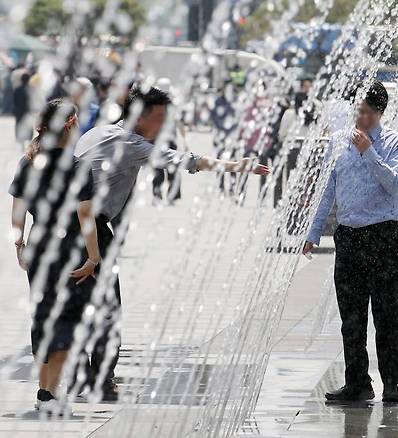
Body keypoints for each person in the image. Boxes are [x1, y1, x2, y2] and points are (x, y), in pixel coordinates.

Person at [74, 86, 269, 401]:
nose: (164, 127)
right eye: (160, 119)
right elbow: (184, 161)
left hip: (67, 229)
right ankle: (100, 381)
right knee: (108, 309)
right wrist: (237, 166)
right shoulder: (131, 143)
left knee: (77, 306)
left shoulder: (96, 133)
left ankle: (76, 377)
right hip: (92, 230)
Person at [303, 80, 398, 403]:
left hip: (383, 236)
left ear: (379, 112)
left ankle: (391, 383)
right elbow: (327, 189)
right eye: (357, 110)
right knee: (352, 316)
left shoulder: (393, 142)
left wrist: (370, 153)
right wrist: (313, 231)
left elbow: (396, 184)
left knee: (386, 314)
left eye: (365, 112)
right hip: (348, 238)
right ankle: (357, 382)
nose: (359, 117)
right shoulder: (338, 143)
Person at [9, 99, 100, 414]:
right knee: (66, 319)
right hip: (69, 250)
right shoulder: (77, 167)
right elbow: (85, 214)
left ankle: (45, 393)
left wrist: (20, 247)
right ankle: (49, 394)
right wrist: (93, 257)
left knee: (43, 316)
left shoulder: (28, 162)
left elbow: (17, 212)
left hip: (38, 244)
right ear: (72, 124)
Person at [13, 72, 32, 145]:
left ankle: (20, 140)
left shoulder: (17, 89)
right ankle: (28, 140)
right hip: (28, 111)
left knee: (19, 124)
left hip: (19, 110)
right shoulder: (31, 89)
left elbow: (14, 100)